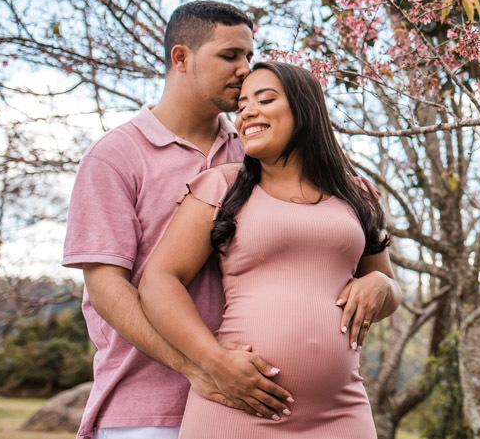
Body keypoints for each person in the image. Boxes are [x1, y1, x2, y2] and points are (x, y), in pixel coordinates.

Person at [63, 1, 294, 439]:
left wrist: (375, 278)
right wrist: (202, 367)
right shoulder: (115, 157)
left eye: (249, 55)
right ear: (181, 58)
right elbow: (107, 288)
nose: (246, 69)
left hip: (251, 401)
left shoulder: (254, 154)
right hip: (147, 411)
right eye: (230, 55)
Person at [139, 61, 401, 438]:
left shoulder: (357, 195)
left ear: (304, 108)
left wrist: (380, 283)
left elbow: (390, 293)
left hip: (341, 412)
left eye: (264, 99)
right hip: (238, 407)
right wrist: (213, 361)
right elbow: (159, 281)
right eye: (242, 104)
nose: (247, 112)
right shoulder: (222, 187)